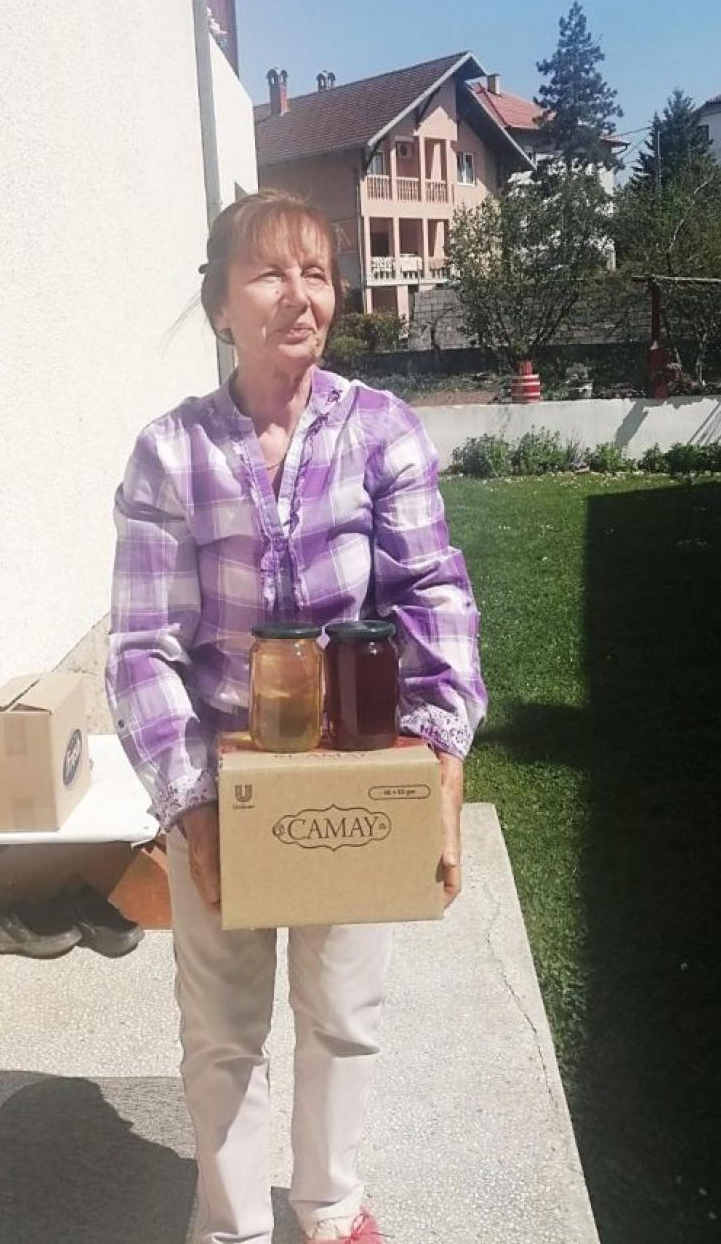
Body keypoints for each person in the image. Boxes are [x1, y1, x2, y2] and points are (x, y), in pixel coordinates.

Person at [106, 190, 487, 1244]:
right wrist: (193, 809)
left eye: (315, 272)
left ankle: (329, 1207)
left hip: (350, 775)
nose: (299, 295)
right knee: (222, 1031)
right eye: (270, 272)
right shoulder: (169, 452)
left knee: (344, 1012)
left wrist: (439, 767)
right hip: (221, 778)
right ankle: (229, 1224)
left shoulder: (381, 430)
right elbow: (142, 647)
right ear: (218, 304)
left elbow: (431, 594)